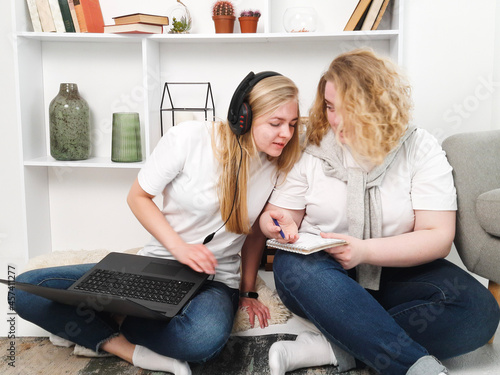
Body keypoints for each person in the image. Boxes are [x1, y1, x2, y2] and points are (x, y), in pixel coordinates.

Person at [14, 71, 302, 375]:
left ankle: (113, 325)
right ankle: (122, 345)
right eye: (275, 123)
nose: (286, 134)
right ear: (242, 116)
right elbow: (138, 197)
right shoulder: (188, 139)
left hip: (215, 281)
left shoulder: (277, 165)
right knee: (23, 292)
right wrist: (179, 248)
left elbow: (255, 235)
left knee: (200, 339)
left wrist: (247, 293)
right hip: (158, 267)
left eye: (293, 125)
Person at [259, 49, 500, 375]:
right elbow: (277, 216)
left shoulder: (419, 147)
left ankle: (337, 346)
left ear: (379, 106)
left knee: (478, 311)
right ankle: (416, 367)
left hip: (394, 269)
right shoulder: (309, 146)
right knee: (292, 262)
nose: (336, 121)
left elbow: (438, 236)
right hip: (322, 275)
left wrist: (364, 251)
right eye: (330, 107)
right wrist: (276, 222)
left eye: (349, 109)